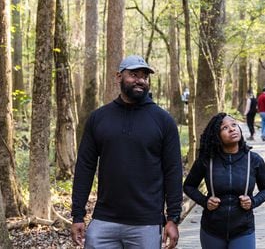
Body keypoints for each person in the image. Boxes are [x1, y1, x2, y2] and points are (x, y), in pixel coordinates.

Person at [71, 55, 183, 249]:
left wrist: (173, 218)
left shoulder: (163, 120)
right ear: (118, 77)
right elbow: (85, 167)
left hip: (147, 222)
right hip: (104, 219)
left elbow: (173, 171)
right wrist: (78, 214)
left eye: (144, 76)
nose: (140, 80)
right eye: (133, 74)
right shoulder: (99, 118)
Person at [183, 113, 265, 249]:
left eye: (233, 124)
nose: (232, 129)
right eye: (224, 128)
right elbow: (189, 186)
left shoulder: (254, 160)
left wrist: (253, 202)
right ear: (216, 136)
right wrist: (205, 201)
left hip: (243, 230)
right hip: (212, 230)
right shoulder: (207, 160)